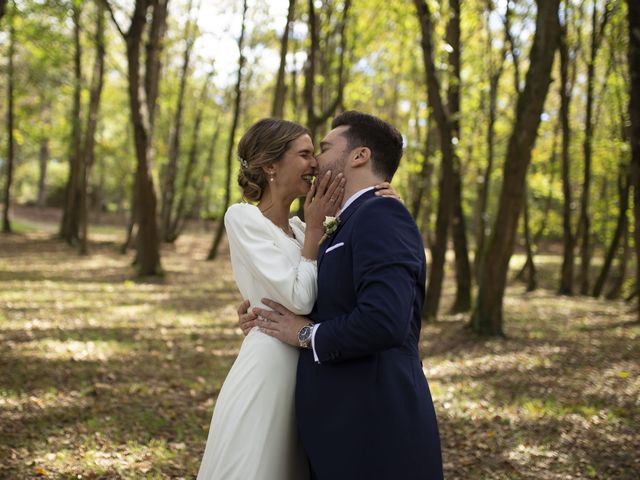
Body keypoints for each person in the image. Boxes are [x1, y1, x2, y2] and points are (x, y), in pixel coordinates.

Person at [242, 111, 444, 479]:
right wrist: (258, 310)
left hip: (375, 427)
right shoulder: (342, 223)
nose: (315, 161)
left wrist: (305, 334)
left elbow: (384, 320)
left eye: (324, 147)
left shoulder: (381, 215)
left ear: (359, 156)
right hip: (340, 429)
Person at [196, 117, 399, 480]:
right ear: (271, 165)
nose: (314, 164)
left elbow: (337, 291)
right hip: (269, 371)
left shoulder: (304, 228)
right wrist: (315, 234)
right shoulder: (243, 218)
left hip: (310, 373)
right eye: (305, 154)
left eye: (315, 154)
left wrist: (379, 209)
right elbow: (300, 299)